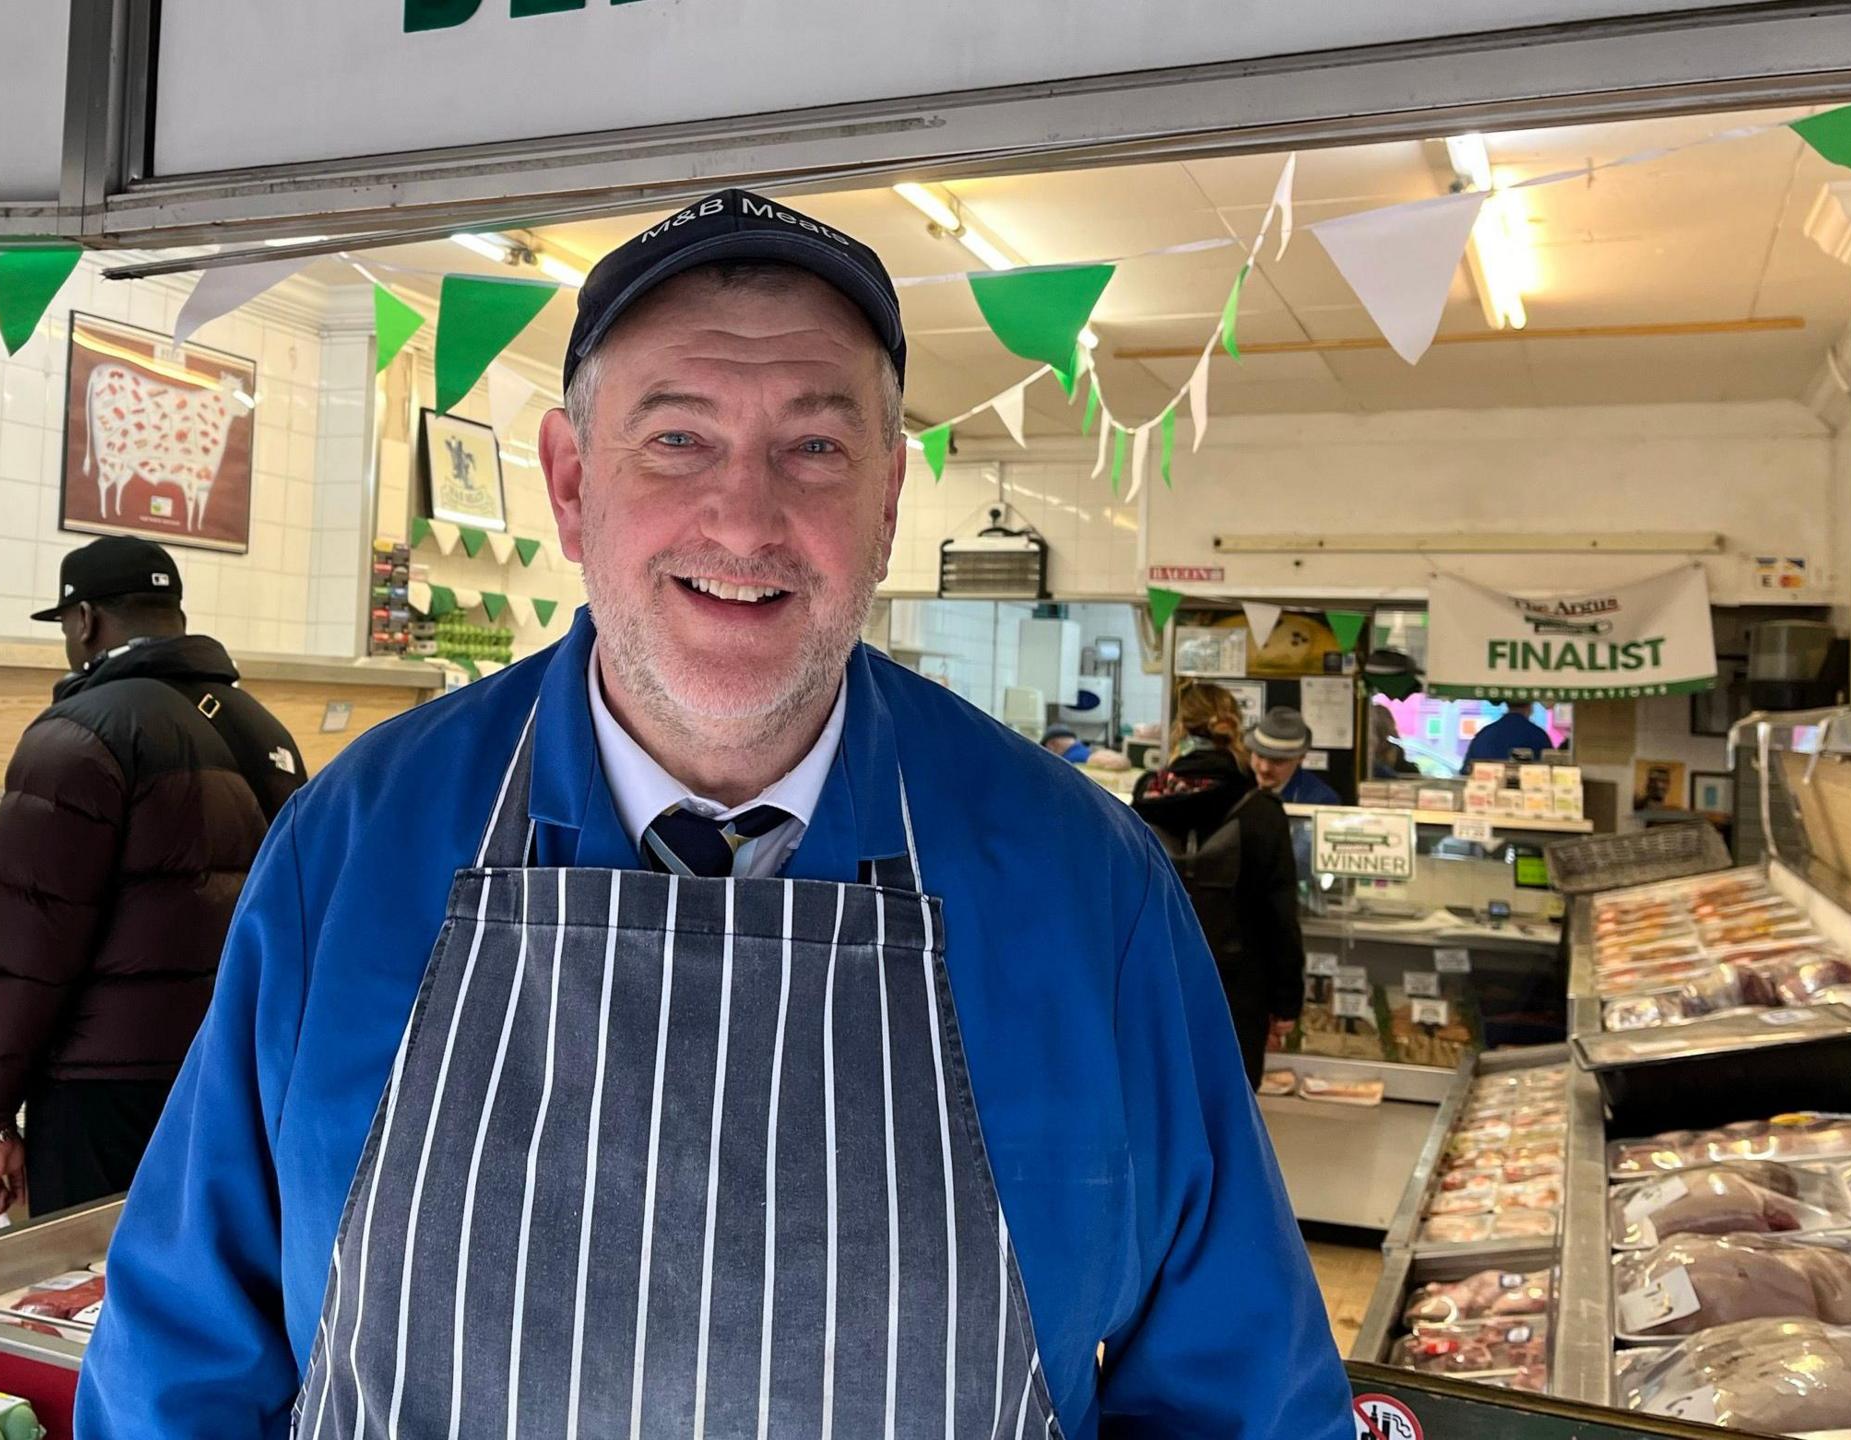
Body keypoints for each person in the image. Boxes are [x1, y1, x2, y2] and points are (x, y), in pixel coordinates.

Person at [79, 189, 1349, 1440]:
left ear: (889, 499)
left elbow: (1241, 1397)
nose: (746, 521)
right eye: (678, 439)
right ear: (572, 485)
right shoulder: (352, 852)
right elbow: (178, 1366)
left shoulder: (1089, 892)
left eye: (815, 447)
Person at [0, 536, 305, 1224]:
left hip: (104, 1093)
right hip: (232, 1075)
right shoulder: (265, 730)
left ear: (84, 620)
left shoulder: (80, 733)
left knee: (93, 1291)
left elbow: (26, 948)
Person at [1132, 683, 1308, 1090]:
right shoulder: (1260, 812)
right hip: (1235, 997)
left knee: (1160, 1106)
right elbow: (1280, 918)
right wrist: (1286, 1003)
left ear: (1179, 730)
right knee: (1229, 1118)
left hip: (1156, 986)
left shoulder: (1145, 798)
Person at [1247, 705, 1341, 805]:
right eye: (1260, 756)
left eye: (1277, 761)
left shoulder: (1320, 800)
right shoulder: (1236, 786)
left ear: (1301, 758)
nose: (1264, 768)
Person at [1462, 698, 1557, 773]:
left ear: (1507, 705)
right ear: (1530, 707)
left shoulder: (1484, 734)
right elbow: (1551, 771)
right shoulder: (1538, 736)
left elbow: (1466, 772)